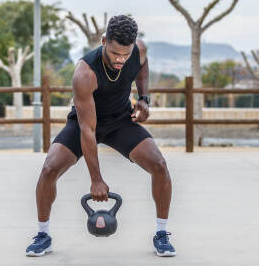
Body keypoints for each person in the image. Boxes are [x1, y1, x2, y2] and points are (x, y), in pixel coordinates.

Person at [26, 15, 175, 257]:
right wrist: (96, 179)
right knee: (49, 169)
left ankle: (162, 234)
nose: (121, 60)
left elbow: (142, 65)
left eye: (125, 55)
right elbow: (88, 130)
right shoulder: (85, 73)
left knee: (159, 165)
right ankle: (43, 235)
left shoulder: (137, 51)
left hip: (120, 121)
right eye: (115, 53)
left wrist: (144, 99)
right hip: (84, 123)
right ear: (104, 41)